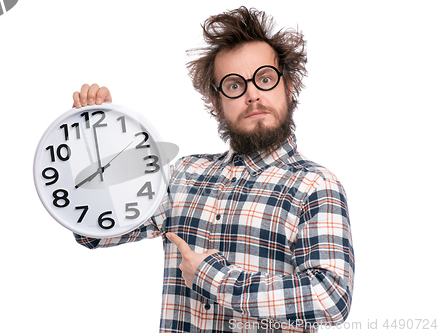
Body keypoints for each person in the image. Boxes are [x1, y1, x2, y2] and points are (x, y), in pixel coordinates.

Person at [72, 7, 354, 333]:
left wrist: (213, 278)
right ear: (216, 102)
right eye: (234, 85)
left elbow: (330, 299)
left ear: (288, 87)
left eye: (264, 79)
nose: (252, 95)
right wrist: (95, 138)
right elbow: (97, 231)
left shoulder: (315, 186)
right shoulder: (184, 174)